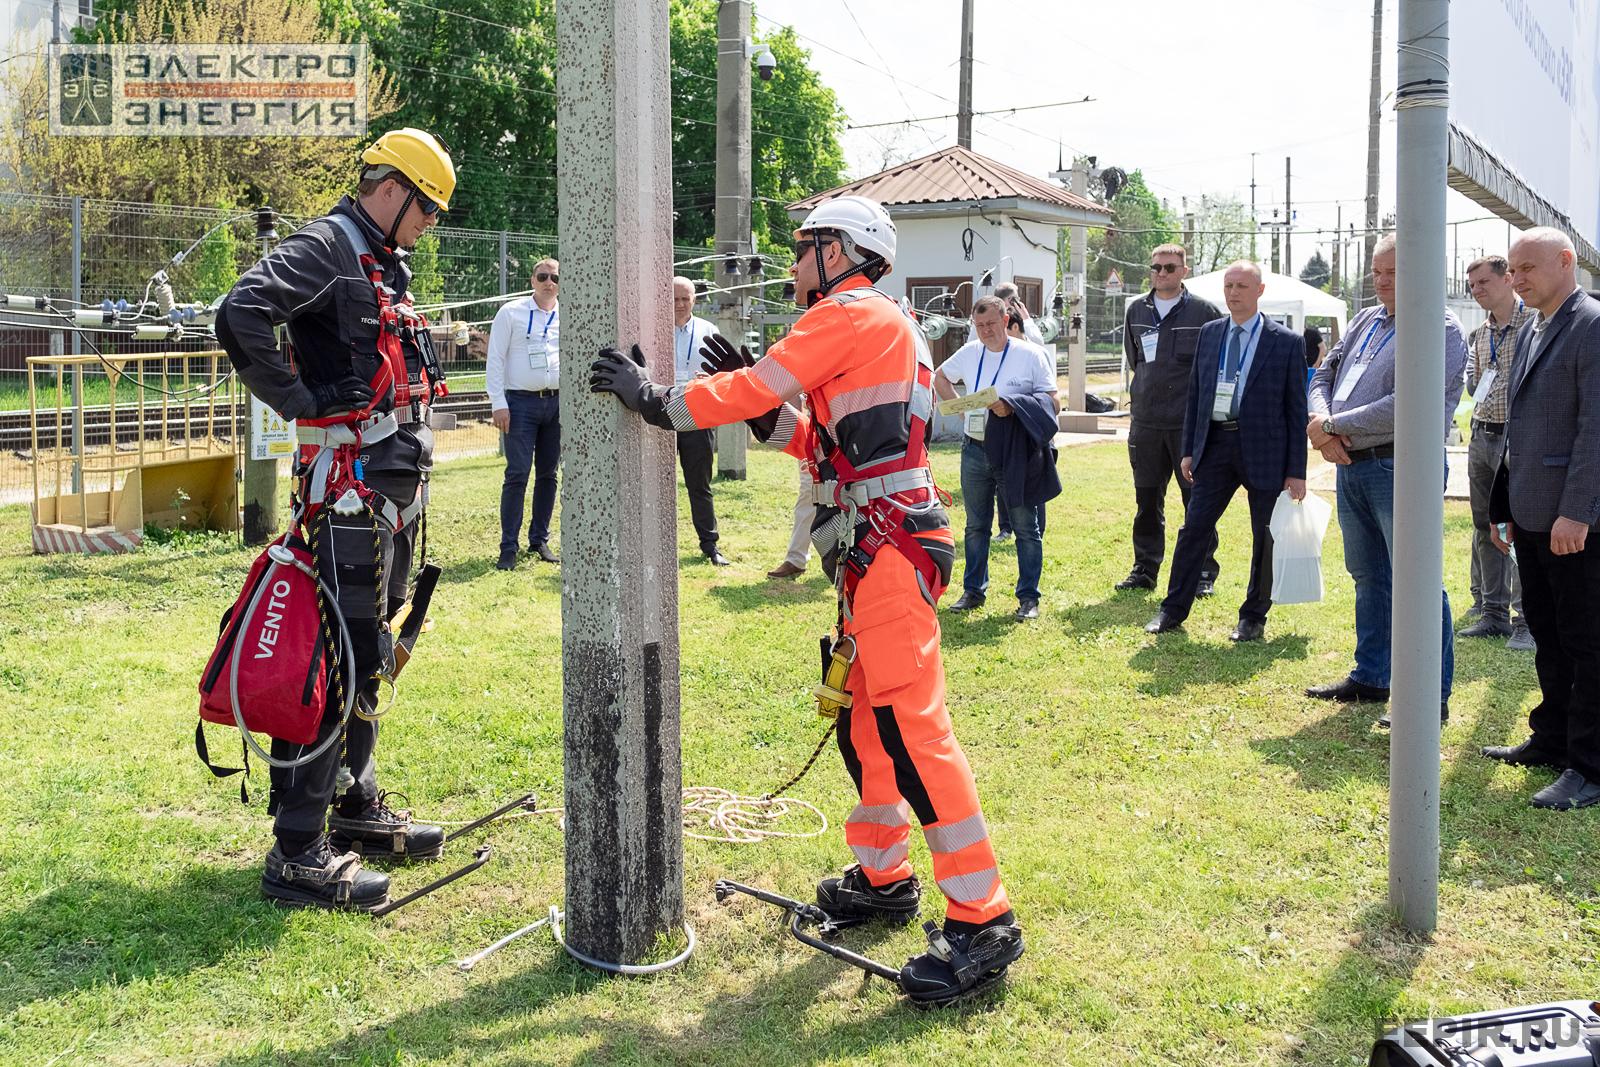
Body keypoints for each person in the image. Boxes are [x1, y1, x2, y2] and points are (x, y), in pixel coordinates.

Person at [590, 194, 1022, 1004]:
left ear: (841, 252)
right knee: (867, 723)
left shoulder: (851, 311)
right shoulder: (881, 325)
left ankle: (982, 915)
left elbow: (755, 388)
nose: (792, 264)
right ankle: (886, 875)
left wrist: (655, 397)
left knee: (909, 726)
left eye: (802, 248)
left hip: (885, 548)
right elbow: (821, 443)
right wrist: (766, 420)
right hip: (879, 548)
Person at [215, 128, 453, 909]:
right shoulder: (326, 246)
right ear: (394, 190)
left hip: (387, 487)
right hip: (345, 490)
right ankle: (298, 851)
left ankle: (352, 803)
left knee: (371, 647)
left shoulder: (384, 259)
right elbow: (240, 313)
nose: (430, 225)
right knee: (338, 654)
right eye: (427, 210)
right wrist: (301, 403)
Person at [1305, 234, 1466, 727]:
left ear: (1422, 270)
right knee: (1369, 575)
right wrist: (1323, 426)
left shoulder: (1440, 328)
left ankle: (1428, 697)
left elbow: (1408, 404)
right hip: (1352, 464)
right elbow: (1321, 377)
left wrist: (1332, 427)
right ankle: (1373, 677)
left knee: (1416, 581)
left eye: (1392, 272)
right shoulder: (1366, 320)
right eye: (1376, 271)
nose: (1381, 280)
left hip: (1402, 466)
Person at [1481, 228, 1600, 810]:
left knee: (1585, 643)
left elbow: (1595, 433)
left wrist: (1577, 512)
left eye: (1528, 267)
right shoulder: (1533, 327)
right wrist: (1505, 505)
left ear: (1566, 261)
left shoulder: (1592, 324)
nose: (1518, 278)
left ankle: (1589, 767)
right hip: (1530, 512)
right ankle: (1552, 739)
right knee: (1547, 636)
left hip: (1574, 524)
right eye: (1515, 268)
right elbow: (1521, 426)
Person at [1144, 261, 1308, 642]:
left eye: (1242, 286)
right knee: (1194, 527)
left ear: (1260, 291)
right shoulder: (1211, 333)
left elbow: (1296, 409)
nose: (1233, 293)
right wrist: (1189, 449)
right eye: (1229, 285)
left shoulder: (1285, 342)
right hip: (1216, 444)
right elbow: (1197, 395)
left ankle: (1253, 616)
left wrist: (1296, 471)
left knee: (1264, 535)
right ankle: (1172, 609)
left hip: (1266, 451)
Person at [935, 295, 1060, 620]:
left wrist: (1013, 405)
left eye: (991, 323)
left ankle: (1028, 598)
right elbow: (940, 377)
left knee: (1025, 526)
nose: (986, 331)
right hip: (974, 448)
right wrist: (960, 410)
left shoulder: (1030, 354)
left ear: (1006, 320)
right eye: (979, 326)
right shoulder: (970, 352)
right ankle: (973, 591)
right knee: (976, 526)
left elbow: (1053, 401)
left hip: (1014, 450)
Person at [1118, 243, 1225, 594]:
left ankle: (1202, 572)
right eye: (1156, 267)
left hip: (1188, 425)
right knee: (1147, 501)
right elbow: (1137, 362)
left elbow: (1214, 368)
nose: (1161, 273)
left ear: (1184, 271)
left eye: (1169, 267)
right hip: (1146, 423)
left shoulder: (1205, 312)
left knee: (1196, 500)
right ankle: (1144, 570)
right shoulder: (1136, 310)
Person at [1460, 255, 1535, 649]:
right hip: (1482, 436)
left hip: (1518, 437)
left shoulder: (1534, 324)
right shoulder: (1480, 333)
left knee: (1519, 527)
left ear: (1508, 279)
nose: (1477, 290)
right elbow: (1475, 387)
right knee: (1484, 526)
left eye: (1484, 282)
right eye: (1472, 285)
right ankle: (1493, 612)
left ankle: (1526, 620)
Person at [487, 259, 561, 570]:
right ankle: (508, 547)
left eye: (555, 277)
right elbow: (495, 359)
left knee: (549, 474)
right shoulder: (511, 313)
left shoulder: (569, 314)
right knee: (517, 473)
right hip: (520, 404)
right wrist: (497, 402)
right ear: (532, 279)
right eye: (543, 276)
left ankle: (539, 539)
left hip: (557, 404)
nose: (549, 282)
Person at [671, 276, 730, 565]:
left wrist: (713, 379)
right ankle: (659, 543)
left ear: (694, 300)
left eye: (686, 298)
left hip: (696, 414)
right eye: (675, 298)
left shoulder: (709, 330)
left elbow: (722, 374)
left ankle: (710, 546)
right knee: (657, 483)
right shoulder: (653, 329)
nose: (680, 304)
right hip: (662, 414)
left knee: (700, 484)